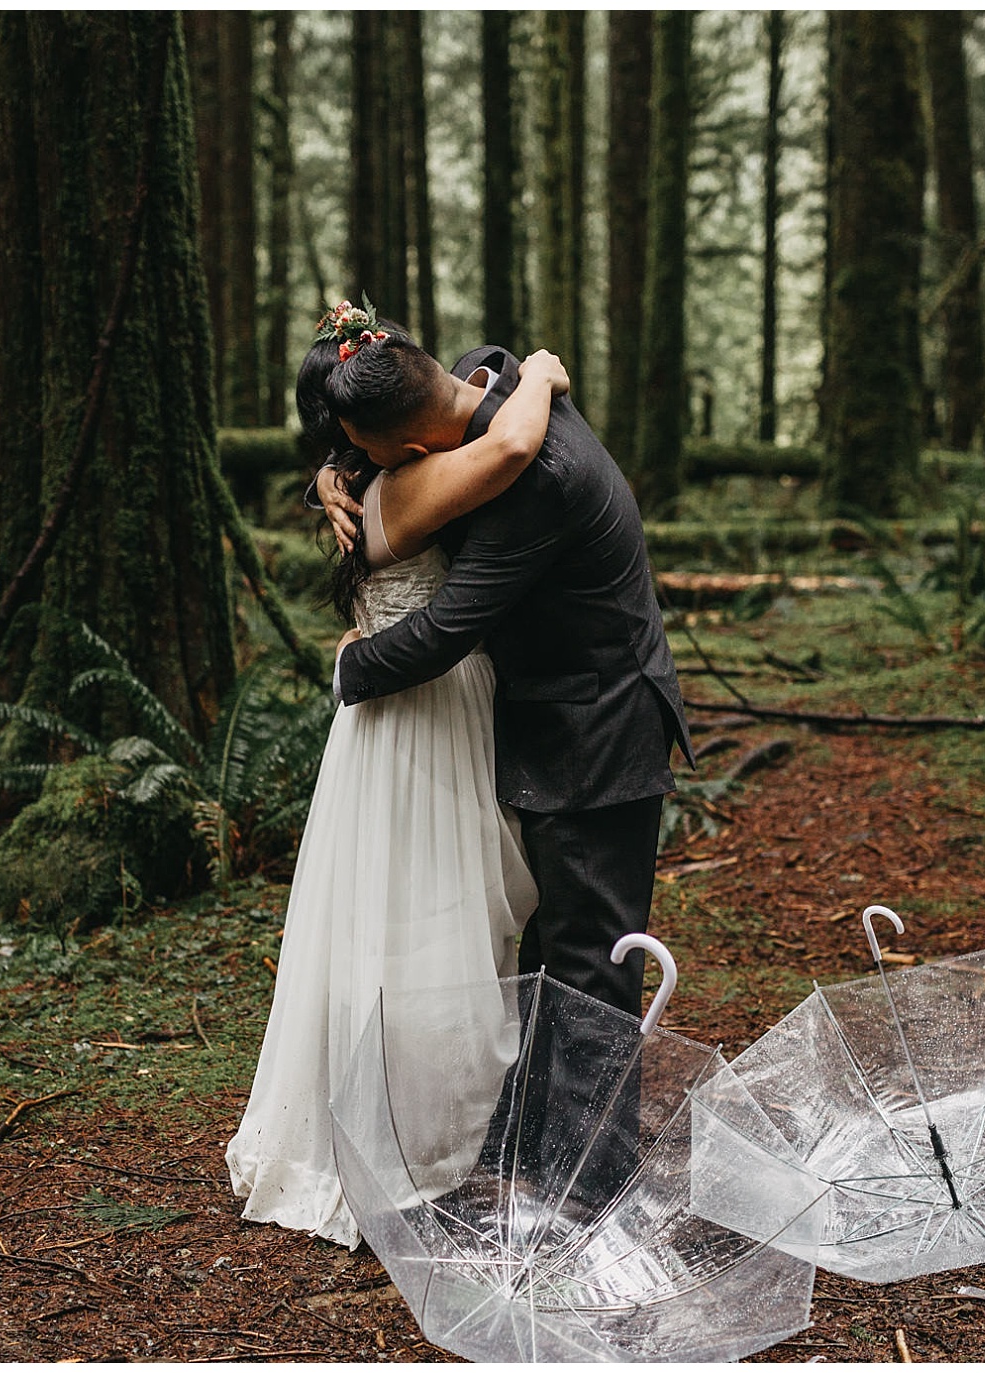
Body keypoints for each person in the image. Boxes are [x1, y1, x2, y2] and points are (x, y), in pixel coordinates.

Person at [317, 312, 694, 1211]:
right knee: (548, 946)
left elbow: (450, 629)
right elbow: (498, 374)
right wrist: (331, 476)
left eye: (377, 460)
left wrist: (347, 666)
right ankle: (529, 1154)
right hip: (551, 715)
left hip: (601, 725)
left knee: (595, 956)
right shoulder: (485, 379)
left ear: (415, 445)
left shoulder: (540, 480)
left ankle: (588, 1189)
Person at [224, 303, 570, 1248]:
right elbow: (505, 453)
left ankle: (413, 1108)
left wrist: (326, 472)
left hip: (397, 711)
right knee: (432, 907)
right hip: (427, 699)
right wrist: (536, 370)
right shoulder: (412, 487)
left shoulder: (365, 480)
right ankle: (421, 1135)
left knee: (394, 907)